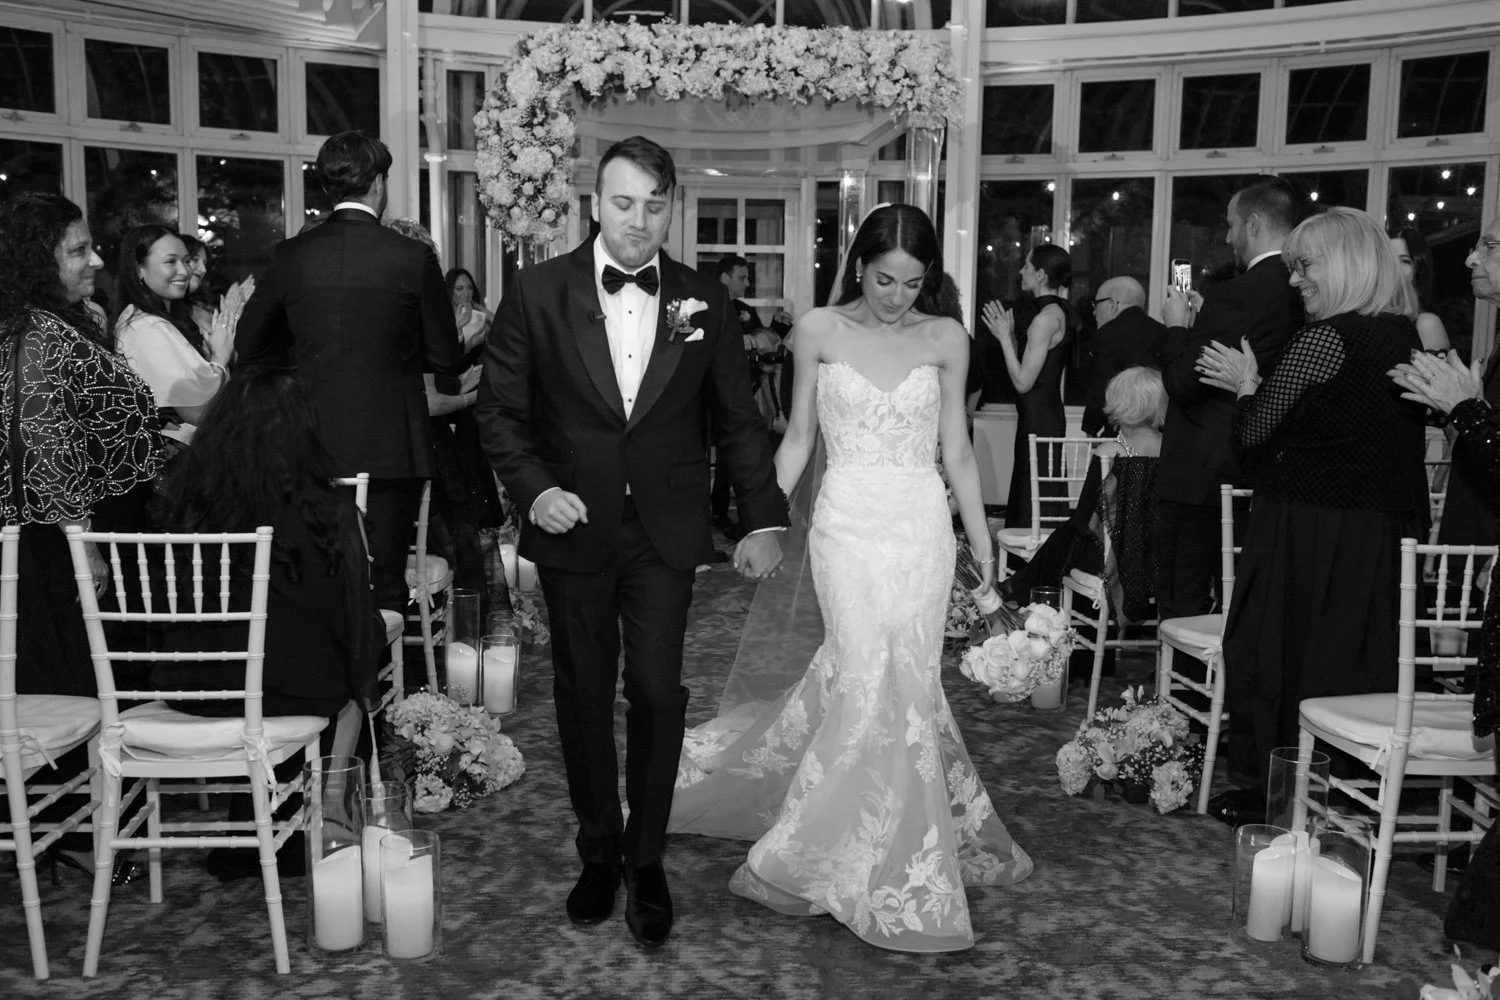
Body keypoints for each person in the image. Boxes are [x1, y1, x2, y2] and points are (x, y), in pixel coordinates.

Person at [669, 203, 1033, 953]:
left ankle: (885, 840)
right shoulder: (818, 330)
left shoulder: (947, 338)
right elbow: (799, 436)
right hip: (845, 527)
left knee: (909, 681)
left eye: (913, 282)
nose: (897, 296)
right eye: (884, 278)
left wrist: (983, 551)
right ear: (859, 265)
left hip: (921, 527)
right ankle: (835, 845)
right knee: (866, 671)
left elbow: (959, 452)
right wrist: (763, 522)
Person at [476, 135, 787, 949]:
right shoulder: (539, 291)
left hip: (663, 531)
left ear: (672, 207)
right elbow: (499, 412)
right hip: (573, 523)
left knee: (655, 691)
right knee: (581, 694)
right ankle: (598, 851)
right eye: (623, 203)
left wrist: (762, 516)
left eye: (654, 205)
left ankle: (647, 859)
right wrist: (536, 491)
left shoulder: (703, 299)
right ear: (594, 203)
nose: (639, 220)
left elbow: (738, 418)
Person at [1197, 206, 1427, 818]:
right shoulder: (1403, 335)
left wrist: (1246, 384)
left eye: (1305, 266)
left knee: (1274, 655)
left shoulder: (1325, 339)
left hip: (1306, 528)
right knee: (1352, 661)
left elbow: (1254, 433)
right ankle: (1343, 794)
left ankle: (1276, 793)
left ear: (1347, 265)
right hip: (1376, 535)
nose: (1296, 280)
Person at [234, 130, 466, 613]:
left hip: (306, 444)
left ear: (328, 188)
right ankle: (377, 662)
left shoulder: (291, 255)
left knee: (314, 582)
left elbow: (250, 346)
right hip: (391, 445)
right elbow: (446, 356)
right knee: (382, 585)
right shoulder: (411, 256)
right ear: (379, 183)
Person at [0, 192, 161, 696]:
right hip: (66, 533)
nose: (96, 261)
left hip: (94, 522)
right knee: (83, 680)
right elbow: (43, 440)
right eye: (77, 251)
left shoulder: (59, 319)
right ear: (37, 260)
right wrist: (82, 544)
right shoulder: (36, 332)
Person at [1155, 175, 1308, 624]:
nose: (1227, 237)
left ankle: (1184, 673)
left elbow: (1183, 382)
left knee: (1183, 597)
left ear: (1254, 223)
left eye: (1231, 225)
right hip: (1265, 464)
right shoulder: (1303, 291)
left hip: (1204, 469)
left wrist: (1177, 326)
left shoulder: (1236, 293)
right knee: (1246, 599)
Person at [999, 366, 1165, 624]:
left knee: (1067, 535)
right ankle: (1020, 588)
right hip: (1157, 557)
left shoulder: (1110, 451)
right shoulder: (1172, 449)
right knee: (1064, 538)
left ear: (1122, 404)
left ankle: (1021, 591)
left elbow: (1085, 518)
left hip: (1112, 559)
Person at [112, 224, 229, 454]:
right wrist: (220, 357)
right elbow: (199, 414)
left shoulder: (157, 320)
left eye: (186, 261)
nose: (184, 271)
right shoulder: (145, 327)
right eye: (170, 262)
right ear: (139, 270)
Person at [981, 243, 1073, 530]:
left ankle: (1032, 553)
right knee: (1039, 486)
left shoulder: (1044, 319)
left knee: (1032, 488)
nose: (1021, 271)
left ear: (1041, 275)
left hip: (1038, 416)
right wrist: (1010, 337)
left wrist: (1004, 339)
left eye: (1027, 266)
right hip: (1046, 412)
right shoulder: (1059, 311)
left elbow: (1022, 382)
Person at [1081, 277, 1166, 437]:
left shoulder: (1107, 335)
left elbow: (1103, 384)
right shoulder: (1163, 332)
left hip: (1122, 430)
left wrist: (1091, 427)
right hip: (1159, 430)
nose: (1094, 312)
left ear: (1113, 304)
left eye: (1096, 304)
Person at [1389, 226, 1452, 354]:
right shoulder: (1375, 318)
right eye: (1388, 259)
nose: (1394, 267)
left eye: (1404, 261)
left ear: (1419, 269)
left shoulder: (1427, 324)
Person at [447, 266, 491, 356]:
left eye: (470, 288)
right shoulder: (442, 320)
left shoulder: (479, 318)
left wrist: (487, 313)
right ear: (450, 291)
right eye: (459, 289)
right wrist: (471, 344)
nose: (466, 293)